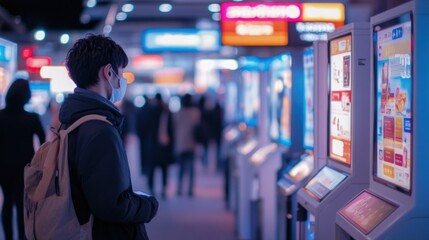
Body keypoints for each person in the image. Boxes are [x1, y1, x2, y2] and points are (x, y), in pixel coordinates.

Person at [59, 33, 158, 239]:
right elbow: (112, 205)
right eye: (121, 73)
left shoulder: (74, 119)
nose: (122, 80)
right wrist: (149, 205)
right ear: (108, 73)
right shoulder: (99, 129)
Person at [0, 78, 46, 240]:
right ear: (26, 96)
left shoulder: (1, 116)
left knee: (7, 202)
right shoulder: (32, 118)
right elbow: (43, 142)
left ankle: (8, 237)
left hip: (3, 166)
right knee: (22, 204)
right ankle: (22, 237)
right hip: (25, 166)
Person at [173, 93, 200, 197]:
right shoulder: (196, 112)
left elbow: (174, 127)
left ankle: (179, 189)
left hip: (180, 143)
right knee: (191, 169)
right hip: (192, 143)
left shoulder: (178, 113)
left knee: (180, 168)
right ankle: (190, 190)